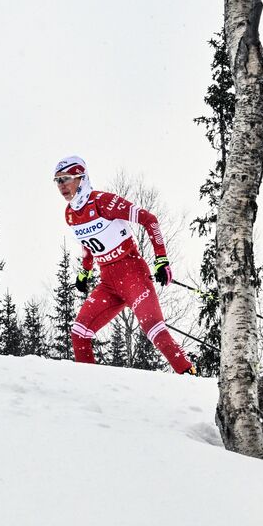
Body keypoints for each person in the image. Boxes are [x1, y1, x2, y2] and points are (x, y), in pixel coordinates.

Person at [53, 155, 196, 375]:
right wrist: (84, 272)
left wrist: (162, 260)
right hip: (108, 282)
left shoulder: (103, 201)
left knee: (154, 329)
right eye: (57, 181)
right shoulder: (70, 215)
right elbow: (87, 244)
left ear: (81, 179)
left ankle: (189, 374)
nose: (61, 185)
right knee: (79, 332)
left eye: (66, 179)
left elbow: (150, 220)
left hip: (133, 275)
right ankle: (88, 388)